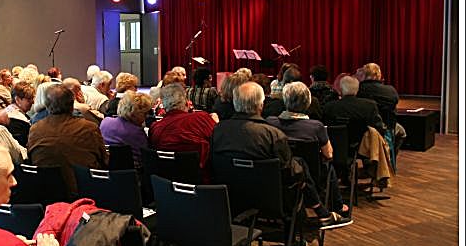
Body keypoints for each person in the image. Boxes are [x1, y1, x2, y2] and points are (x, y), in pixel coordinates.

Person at [211, 82, 352, 230]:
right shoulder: (271, 134)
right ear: (261, 105)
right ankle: (321, 213)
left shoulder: (218, 130)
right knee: (298, 167)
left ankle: (321, 213)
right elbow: (289, 173)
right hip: (271, 198)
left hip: (231, 196)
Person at [266, 82, 348, 216]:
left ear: (284, 101)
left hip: (279, 175)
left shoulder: (270, 122)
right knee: (329, 167)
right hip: (312, 176)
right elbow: (329, 155)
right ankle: (337, 206)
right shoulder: (315, 127)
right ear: (308, 103)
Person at [28, 84, 108, 196]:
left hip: (46, 195)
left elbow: (32, 160)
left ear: (46, 105)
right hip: (86, 194)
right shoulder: (89, 128)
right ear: (72, 105)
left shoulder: (35, 129)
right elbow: (104, 161)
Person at [148, 84, 217, 181]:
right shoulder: (201, 118)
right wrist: (217, 124)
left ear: (163, 104)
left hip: (164, 186)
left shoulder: (155, 128)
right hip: (201, 185)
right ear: (186, 102)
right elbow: (218, 141)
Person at [99, 91, 151, 168]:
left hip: (107, 171)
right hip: (133, 173)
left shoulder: (105, 122)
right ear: (134, 113)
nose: (146, 117)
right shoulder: (136, 132)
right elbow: (145, 157)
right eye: (145, 113)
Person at [2, 81, 35, 147]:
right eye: (29, 99)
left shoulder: (8, 113)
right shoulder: (15, 121)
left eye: (32, 98)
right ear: (17, 99)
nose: (33, 102)